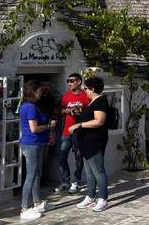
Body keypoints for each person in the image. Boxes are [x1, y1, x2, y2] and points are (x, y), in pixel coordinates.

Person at [68, 76, 110, 212]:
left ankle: (103, 198)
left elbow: (99, 121)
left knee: (98, 171)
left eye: (86, 88)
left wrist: (79, 124)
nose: (84, 91)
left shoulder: (100, 102)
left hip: (95, 142)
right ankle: (90, 196)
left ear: (92, 89)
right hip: (85, 142)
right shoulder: (93, 102)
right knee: (89, 172)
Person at [19, 80, 57, 221]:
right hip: (32, 144)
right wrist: (49, 126)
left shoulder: (30, 106)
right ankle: (24, 208)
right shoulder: (30, 107)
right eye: (40, 91)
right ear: (33, 91)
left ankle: (37, 203)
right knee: (31, 175)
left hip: (37, 144)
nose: (42, 93)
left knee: (37, 174)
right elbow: (34, 129)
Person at [56, 73, 89, 193]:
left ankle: (76, 182)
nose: (69, 83)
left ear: (79, 82)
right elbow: (59, 110)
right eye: (67, 81)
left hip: (80, 131)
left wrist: (81, 111)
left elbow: (92, 111)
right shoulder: (66, 96)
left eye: (71, 81)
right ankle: (65, 181)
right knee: (62, 155)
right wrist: (67, 110)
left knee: (79, 157)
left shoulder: (86, 95)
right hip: (66, 131)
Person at [35, 79, 58, 186]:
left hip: (48, 129)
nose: (45, 87)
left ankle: (41, 179)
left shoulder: (51, 98)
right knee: (35, 158)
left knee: (45, 156)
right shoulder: (34, 101)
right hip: (36, 129)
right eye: (43, 85)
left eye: (47, 85)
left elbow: (53, 113)